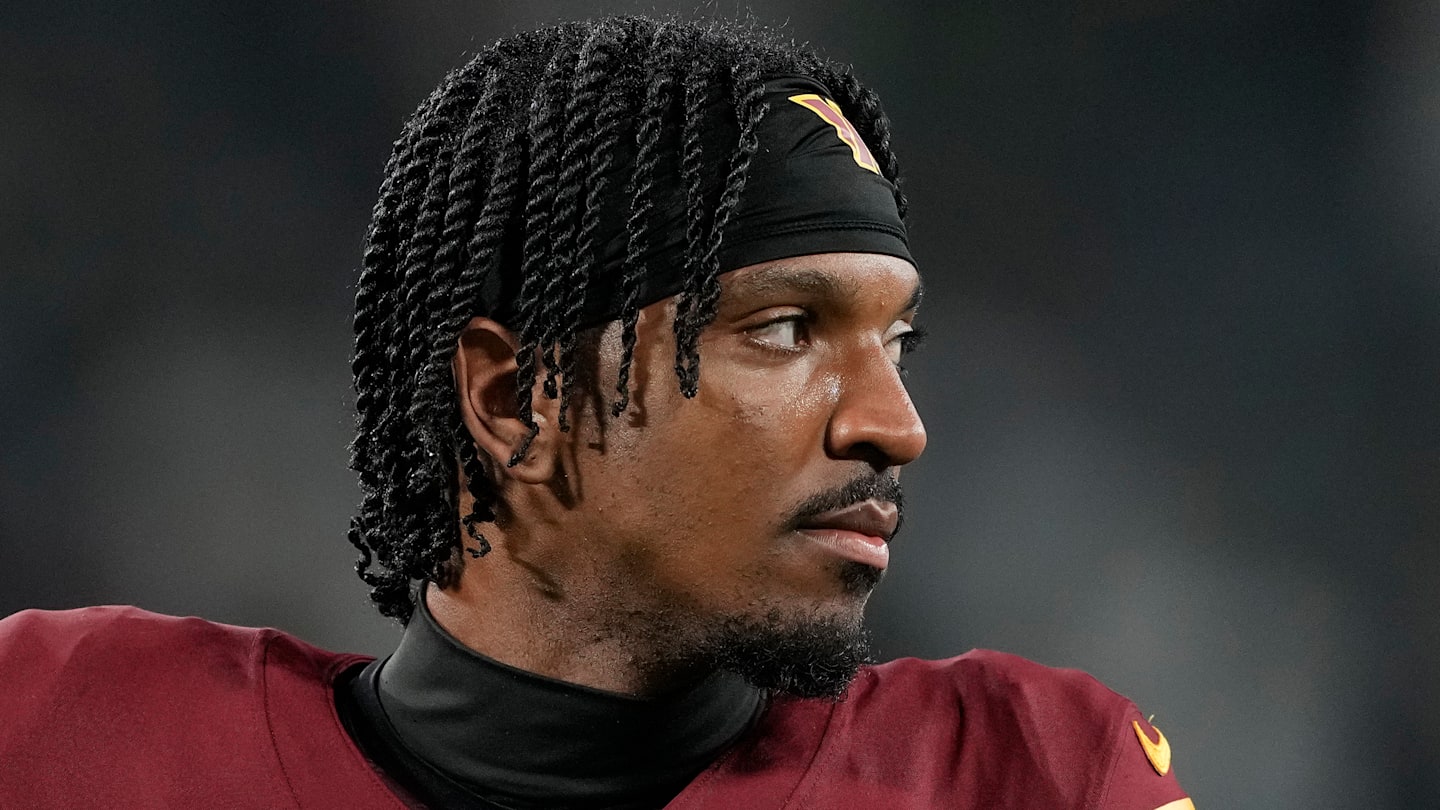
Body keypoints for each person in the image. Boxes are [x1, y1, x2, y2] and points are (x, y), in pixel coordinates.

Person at [0, 16, 1194, 810]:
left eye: (895, 343)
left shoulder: (1028, 773)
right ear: (514, 398)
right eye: (786, 329)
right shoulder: (59, 729)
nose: (895, 424)